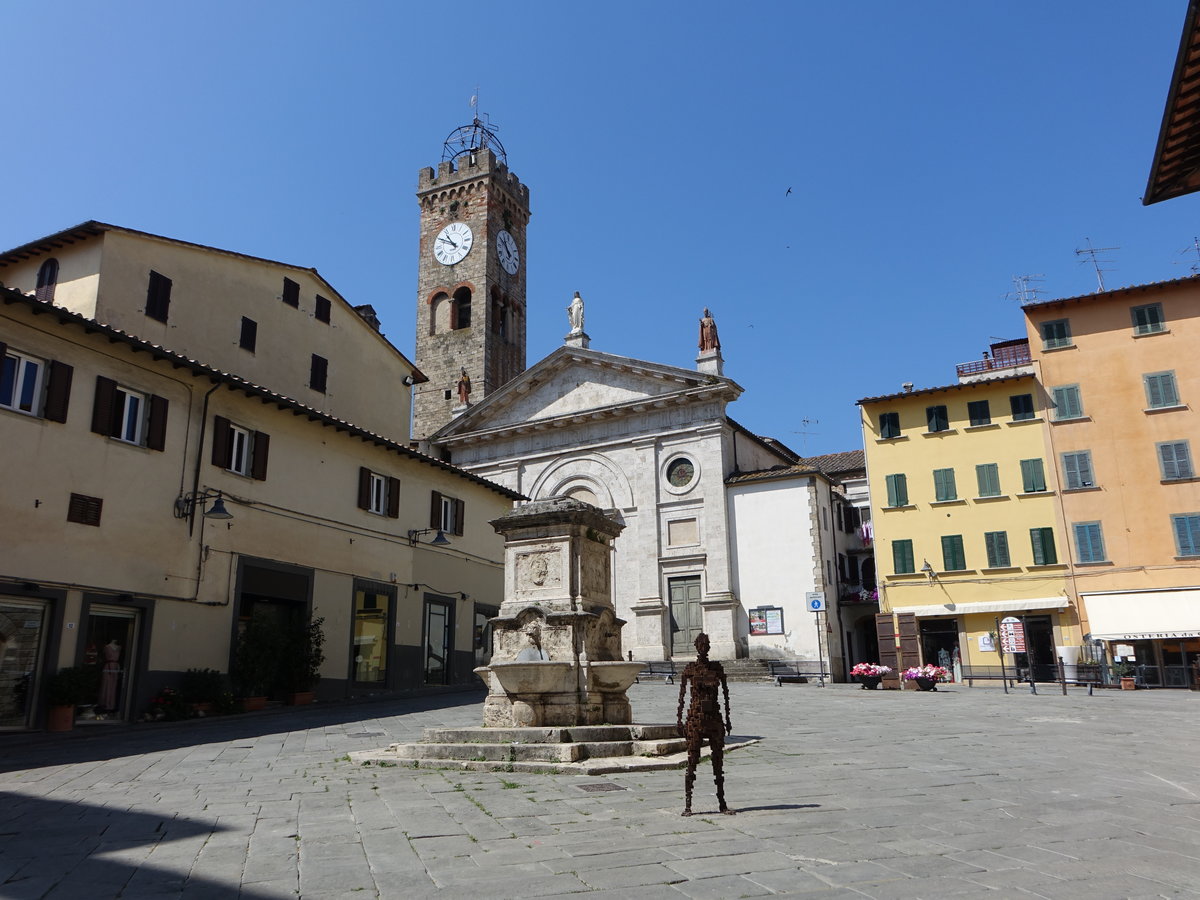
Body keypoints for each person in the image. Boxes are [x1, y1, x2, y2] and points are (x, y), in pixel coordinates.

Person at [676, 632, 735, 815]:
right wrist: (679, 720)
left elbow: (726, 696)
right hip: (695, 719)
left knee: (718, 762)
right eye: (701, 645)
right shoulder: (689, 669)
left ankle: (722, 803)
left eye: (706, 644)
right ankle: (688, 805)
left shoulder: (717, 668)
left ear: (709, 647)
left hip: (714, 718)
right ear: (696, 646)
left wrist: (727, 720)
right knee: (692, 761)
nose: (703, 648)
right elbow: (682, 697)